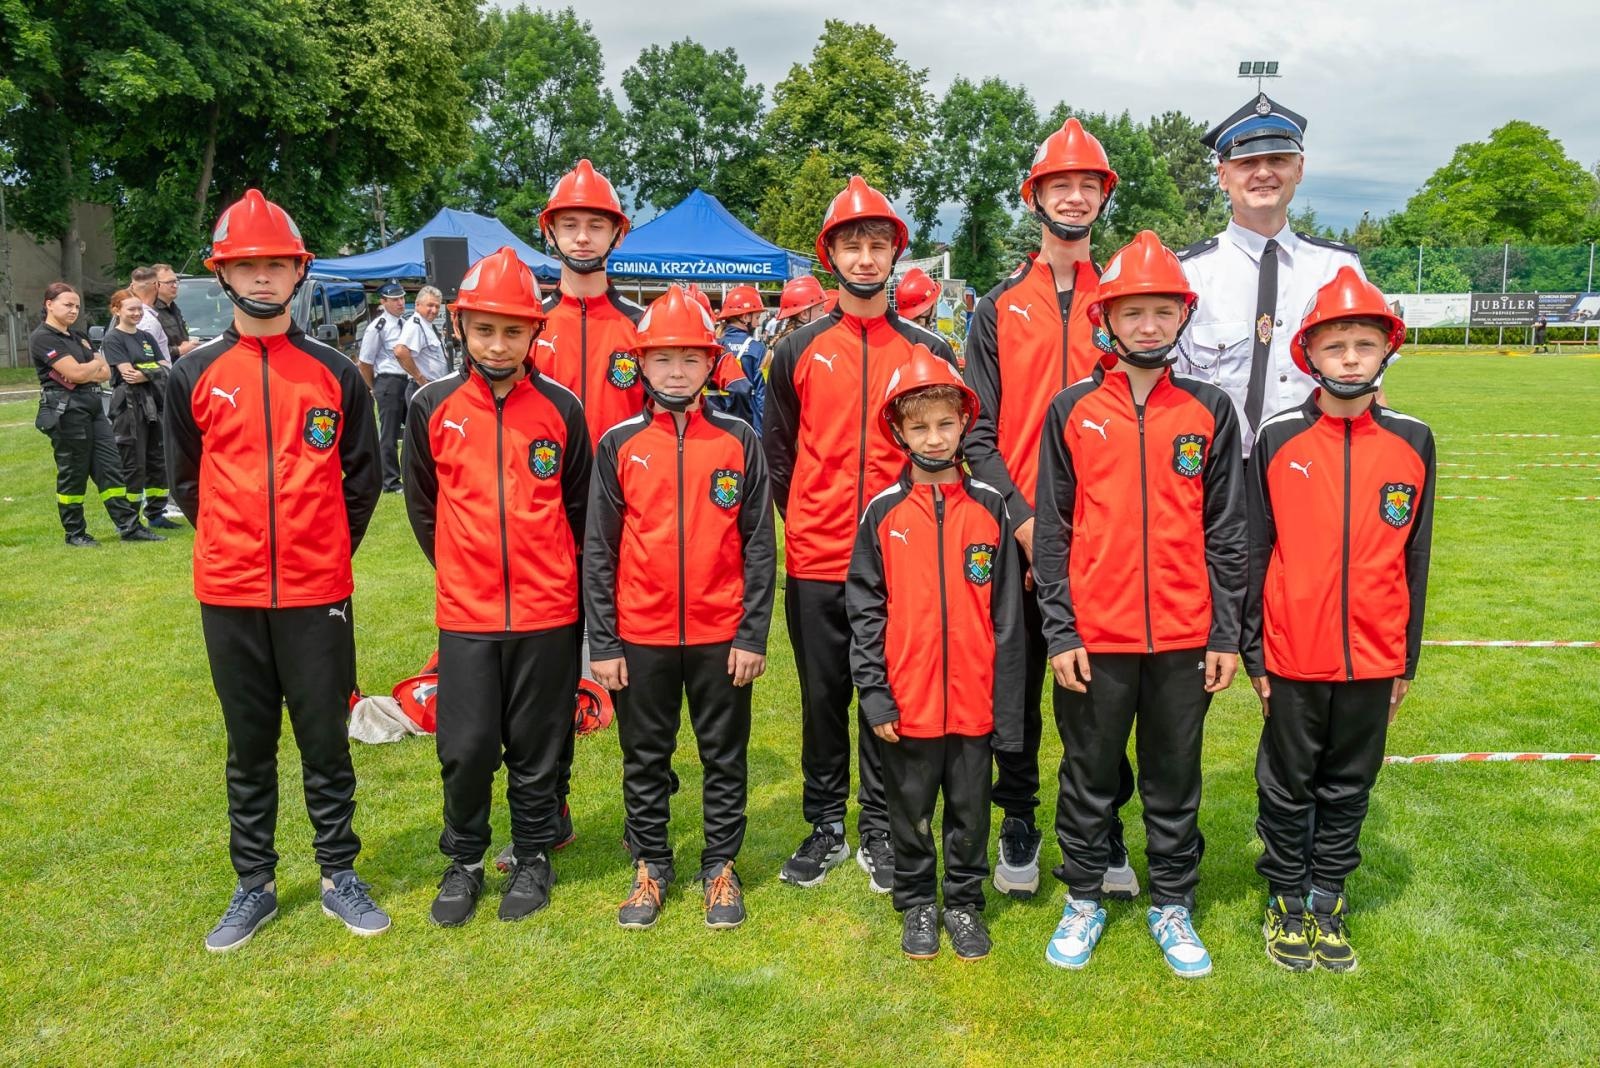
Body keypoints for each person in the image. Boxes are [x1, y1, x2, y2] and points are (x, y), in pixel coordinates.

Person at [165, 189, 386, 951]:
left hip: (317, 590)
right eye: (248, 265)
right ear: (224, 275)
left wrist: (319, 545)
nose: (263, 278)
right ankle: (253, 883)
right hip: (228, 590)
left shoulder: (337, 373)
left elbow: (363, 478)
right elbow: (186, 482)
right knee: (249, 742)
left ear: (299, 273)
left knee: (324, 739)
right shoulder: (192, 373)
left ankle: (339, 875)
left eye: (276, 265)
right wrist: (237, 544)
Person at [1034, 231, 1246, 979]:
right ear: (1109, 320)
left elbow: (1228, 531)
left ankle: (1173, 903)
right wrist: (1060, 632)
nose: (1149, 325)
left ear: (1182, 318)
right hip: (1096, 634)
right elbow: (1053, 534)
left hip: (1187, 639)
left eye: (1163, 311)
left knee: (1172, 776)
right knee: (1088, 775)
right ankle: (1084, 896)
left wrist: (1226, 631)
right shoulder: (1070, 410)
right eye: (1134, 312)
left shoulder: (1211, 410)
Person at [764, 175, 959, 893]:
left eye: (879, 244)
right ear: (831, 254)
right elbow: (780, 451)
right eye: (854, 244)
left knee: (888, 696)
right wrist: (811, 516)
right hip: (817, 557)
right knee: (823, 699)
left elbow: (945, 449)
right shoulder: (798, 349)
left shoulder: (927, 347)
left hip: (899, 560)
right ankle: (824, 825)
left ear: (894, 254)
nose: (867, 257)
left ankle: (879, 826)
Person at [961, 116, 1137, 901]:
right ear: (1035, 197)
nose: (1073, 197)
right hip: (1016, 535)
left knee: (1099, 697)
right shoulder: (997, 306)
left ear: (1103, 197)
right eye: (1059, 185)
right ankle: (1021, 819)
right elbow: (976, 431)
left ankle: (1103, 828)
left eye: (1086, 185)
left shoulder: (1130, 302)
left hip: (1105, 545)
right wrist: (1028, 522)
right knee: (1016, 694)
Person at [1244, 267, 1435, 974]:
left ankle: (1328, 894)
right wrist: (1255, 654)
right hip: (1294, 655)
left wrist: (1404, 661)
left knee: (1351, 782)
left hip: (1374, 656)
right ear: (1310, 355)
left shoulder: (1414, 441)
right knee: (1287, 781)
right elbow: (1254, 548)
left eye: (1364, 342)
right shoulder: (1277, 436)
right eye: (1336, 345)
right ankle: (1287, 896)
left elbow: (1417, 556)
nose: (1350, 356)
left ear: (1387, 350)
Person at [402, 247, 591, 927]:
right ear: (461, 327)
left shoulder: (562, 410)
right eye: (484, 329)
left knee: (538, 744)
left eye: (513, 330)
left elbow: (578, 508)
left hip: (548, 612)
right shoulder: (431, 404)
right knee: (467, 744)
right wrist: (461, 562)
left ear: (534, 333)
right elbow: (424, 505)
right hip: (469, 611)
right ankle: (467, 858)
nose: (498, 343)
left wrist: (553, 574)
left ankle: (534, 855)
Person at [585, 285, 775, 931]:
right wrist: (604, 644)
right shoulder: (617, 445)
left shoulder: (741, 440)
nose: (674, 371)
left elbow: (758, 546)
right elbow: (600, 552)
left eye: (689, 359)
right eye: (661, 358)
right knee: (645, 755)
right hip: (641, 634)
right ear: (641, 363)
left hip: (723, 635)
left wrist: (752, 634)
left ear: (710, 362)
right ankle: (651, 864)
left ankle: (720, 865)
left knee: (724, 756)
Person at [847, 345, 1024, 961]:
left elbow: (1008, 619)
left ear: (964, 423)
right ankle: (919, 901)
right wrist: (874, 692)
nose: (933, 436)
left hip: (974, 705)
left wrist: (1007, 709)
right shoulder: (881, 513)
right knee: (911, 812)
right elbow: (865, 613)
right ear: (897, 429)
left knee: (971, 814)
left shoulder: (992, 508)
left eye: (945, 422)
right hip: (909, 703)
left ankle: (967, 904)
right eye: (919, 425)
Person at [1175, 93, 1367, 458]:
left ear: (1299, 169)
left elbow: (1367, 384)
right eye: (1247, 162)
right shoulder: (1188, 274)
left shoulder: (1338, 268)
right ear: (1222, 175)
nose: (1263, 172)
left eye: (1277, 159)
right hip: (1221, 472)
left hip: (1319, 462)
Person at [30, 283, 161, 547]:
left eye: (76, 306)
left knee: (110, 467)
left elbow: (104, 372)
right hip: (65, 410)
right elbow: (79, 373)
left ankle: (129, 527)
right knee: (73, 472)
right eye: (68, 305)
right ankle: (75, 533)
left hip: (91, 404)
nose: (74, 310)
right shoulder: (43, 337)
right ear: (49, 304)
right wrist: (89, 367)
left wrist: (85, 368)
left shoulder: (78, 336)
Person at [535, 159, 646, 449]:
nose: (582, 238)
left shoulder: (644, 324)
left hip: (620, 489)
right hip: (548, 488)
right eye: (570, 225)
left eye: (596, 226)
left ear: (618, 235)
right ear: (550, 233)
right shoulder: (528, 323)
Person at [101, 289, 179, 529]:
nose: (136, 313)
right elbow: (127, 374)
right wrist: (153, 371)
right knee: (133, 460)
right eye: (131, 309)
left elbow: (166, 366)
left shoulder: (146, 337)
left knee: (158, 459)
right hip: (129, 405)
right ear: (117, 311)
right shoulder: (113, 338)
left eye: (139, 309)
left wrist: (146, 372)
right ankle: (129, 518)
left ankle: (156, 513)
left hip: (154, 403)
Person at [357, 282, 420, 492]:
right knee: (390, 434)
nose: (401, 302)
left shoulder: (406, 323)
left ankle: (413, 475)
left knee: (415, 429)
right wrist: (373, 387)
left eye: (402, 298)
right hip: (388, 381)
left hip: (406, 381)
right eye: (395, 299)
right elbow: (365, 362)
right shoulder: (378, 327)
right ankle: (390, 482)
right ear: (383, 302)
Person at [715, 284, 767, 432]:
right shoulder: (758, 349)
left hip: (718, 422)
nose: (758, 323)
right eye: (756, 317)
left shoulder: (716, 346)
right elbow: (762, 395)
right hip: (749, 425)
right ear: (745, 317)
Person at [397, 285, 451, 384]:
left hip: (435, 386)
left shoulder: (428, 325)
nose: (434, 310)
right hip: (424, 387)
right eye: (430, 305)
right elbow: (400, 351)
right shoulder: (415, 325)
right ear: (417, 305)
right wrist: (420, 378)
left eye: (437, 306)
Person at [151, 264, 197, 358]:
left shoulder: (174, 308)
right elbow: (149, 349)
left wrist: (187, 343)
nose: (175, 286)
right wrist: (179, 350)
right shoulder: (149, 312)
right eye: (169, 282)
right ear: (156, 284)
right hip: (164, 369)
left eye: (176, 281)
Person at [129, 267, 173, 364]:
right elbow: (146, 359)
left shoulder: (125, 317)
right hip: (156, 377)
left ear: (132, 287)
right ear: (157, 285)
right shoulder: (148, 321)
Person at [771, 275, 828, 346]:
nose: (825, 314)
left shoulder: (788, 343)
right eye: (821, 309)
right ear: (804, 314)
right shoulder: (802, 344)